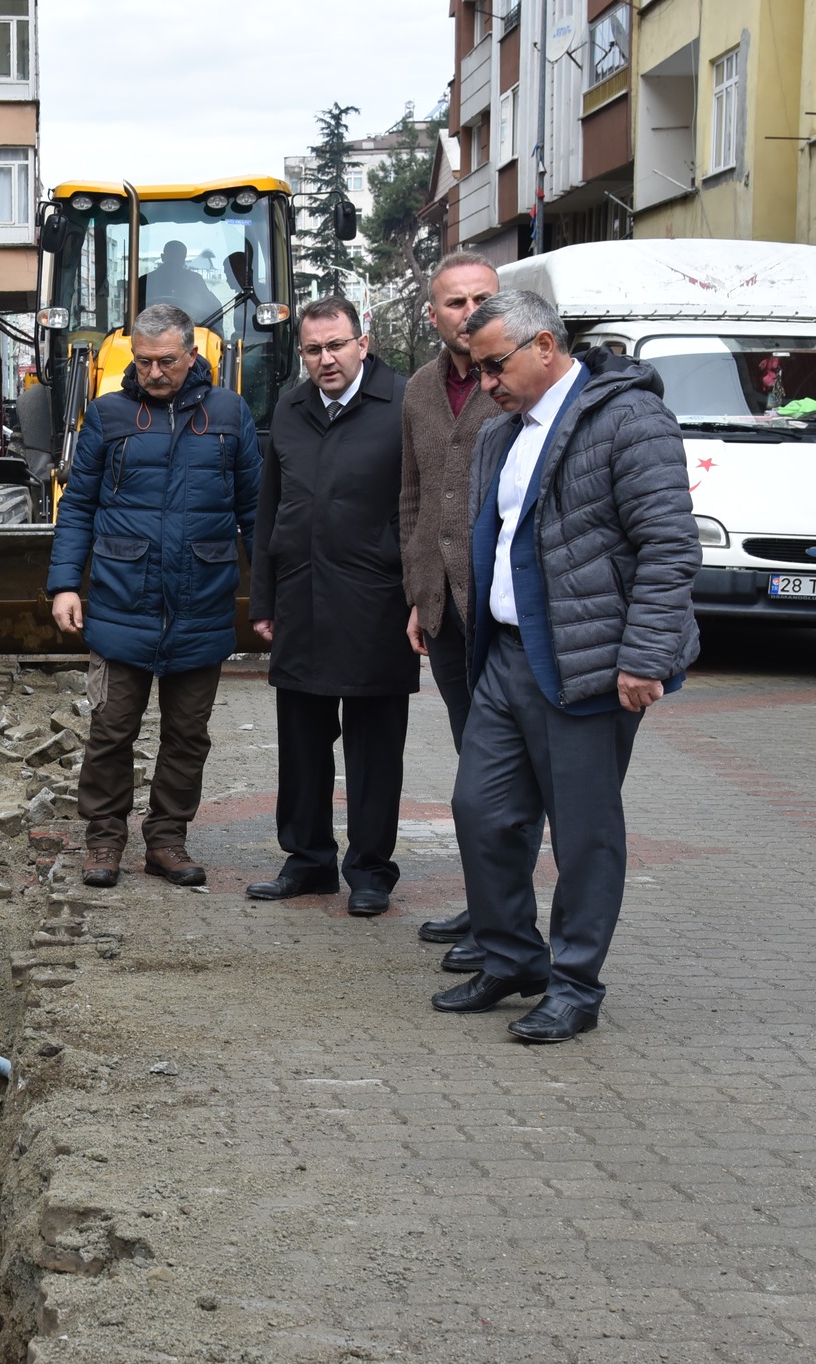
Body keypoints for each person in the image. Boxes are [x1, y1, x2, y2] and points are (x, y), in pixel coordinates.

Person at [433, 290, 700, 1043]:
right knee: (481, 811)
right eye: (474, 366)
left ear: (545, 346)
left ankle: (576, 983)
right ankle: (514, 956)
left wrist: (645, 657)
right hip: (508, 656)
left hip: (589, 664)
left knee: (584, 834)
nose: (484, 382)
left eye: (494, 365)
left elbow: (670, 546)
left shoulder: (628, 419)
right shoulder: (503, 430)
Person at [47, 303, 261, 888]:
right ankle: (103, 840)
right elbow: (79, 508)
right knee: (112, 728)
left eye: (167, 360)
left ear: (193, 355)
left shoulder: (229, 413)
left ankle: (167, 839)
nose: (155, 372)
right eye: (144, 362)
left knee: (187, 733)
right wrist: (66, 583)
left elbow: (255, 512)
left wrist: (267, 594)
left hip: (202, 600)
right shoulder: (107, 416)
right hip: (121, 600)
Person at [245, 298, 418, 916]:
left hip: (376, 602)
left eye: (337, 345)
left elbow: (420, 505)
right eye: (313, 349)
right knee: (301, 742)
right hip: (299, 598)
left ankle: (370, 870)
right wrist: (263, 597)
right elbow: (270, 509)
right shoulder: (289, 410)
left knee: (374, 749)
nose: (326, 359)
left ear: (362, 343)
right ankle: (308, 860)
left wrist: (415, 589)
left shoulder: (402, 405)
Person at [398, 252, 505, 966]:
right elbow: (412, 496)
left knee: (507, 771)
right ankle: (486, 909)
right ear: (432, 316)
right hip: (448, 612)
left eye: (480, 300)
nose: (467, 313)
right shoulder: (419, 391)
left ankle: (506, 924)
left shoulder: (524, 379)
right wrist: (418, 593)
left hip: (506, 609)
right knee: (475, 768)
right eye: (454, 303)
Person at [142, 241, 222, 325]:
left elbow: (213, 308)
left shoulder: (195, 280)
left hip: (187, 330)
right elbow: (133, 313)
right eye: (171, 259)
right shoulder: (144, 281)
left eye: (177, 259)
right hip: (149, 331)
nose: (173, 264)